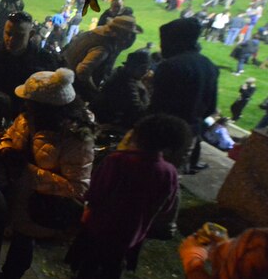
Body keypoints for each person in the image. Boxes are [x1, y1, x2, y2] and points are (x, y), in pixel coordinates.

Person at [61, 114, 190, 279]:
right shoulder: (169, 172)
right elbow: (166, 204)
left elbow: (97, 192)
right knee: (114, 262)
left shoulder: (118, 161)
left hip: (100, 225)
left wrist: (88, 209)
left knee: (88, 265)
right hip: (132, 232)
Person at [0, 68, 95, 279]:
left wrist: (28, 172)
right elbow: (9, 136)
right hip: (14, 193)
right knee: (14, 236)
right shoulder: (29, 118)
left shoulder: (76, 138)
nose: (24, 105)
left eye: (29, 101)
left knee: (22, 241)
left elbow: (77, 187)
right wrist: (6, 148)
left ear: (45, 106)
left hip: (37, 204)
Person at [149, 17, 218, 177]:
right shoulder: (209, 65)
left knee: (150, 175)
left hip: (162, 133)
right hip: (189, 133)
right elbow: (211, 107)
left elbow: (157, 105)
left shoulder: (171, 66)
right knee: (170, 176)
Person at [0, 11, 62, 117]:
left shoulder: (45, 60)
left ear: (31, 35)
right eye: (8, 33)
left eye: (19, 36)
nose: (11, 39)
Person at [61, 15, 143, 102]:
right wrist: (94, 90)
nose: (130, 37)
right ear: (120, 33)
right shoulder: (103, 47)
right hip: (74, 87)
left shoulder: (98, 32)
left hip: (66, 73)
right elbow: (82, 71)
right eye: (129, 34)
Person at [89, 49, 151, 131]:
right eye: (144, 69)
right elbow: (138, 110)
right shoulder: (127, 83)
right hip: (109, 120)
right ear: (137, 68)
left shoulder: (121, 71)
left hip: (104, 114)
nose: (146, 72)